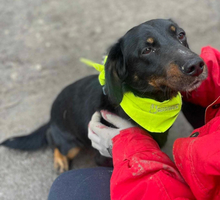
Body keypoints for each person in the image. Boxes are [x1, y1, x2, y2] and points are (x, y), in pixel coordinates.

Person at [48, 46, 220, 200]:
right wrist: (206, 76)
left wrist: (129, 149)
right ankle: (58, 146)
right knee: (69, 148)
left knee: (67, 189)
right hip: (67, 128)